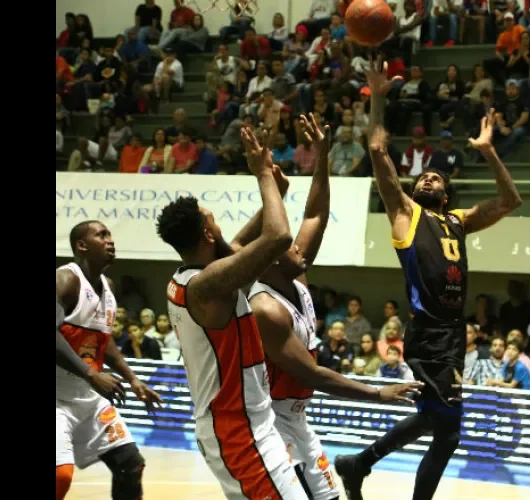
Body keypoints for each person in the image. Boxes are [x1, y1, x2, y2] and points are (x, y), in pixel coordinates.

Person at [334, 56, 522, 500]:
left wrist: (489, 152)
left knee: (436, 419)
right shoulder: (405, 213)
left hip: (453, 334)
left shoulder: (458, 220)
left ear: (447, 192)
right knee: (449, 427)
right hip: (431, 333)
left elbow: (511, 199)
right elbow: (378, 151)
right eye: (423, 176)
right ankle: (365, 469)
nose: (428, 177)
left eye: (436, 177)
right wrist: (378, 98)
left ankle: (357, 464)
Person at [241, 114, 422, 500]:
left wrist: (321, 154)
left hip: (297, 417)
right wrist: (377, 394)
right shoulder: (264, 309)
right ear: (269, 257)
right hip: (268, 422)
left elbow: (315, 215)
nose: (300, 249)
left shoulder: (295, 276)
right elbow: (314, 374)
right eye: (289, 245)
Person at [156, 127, 309, 499]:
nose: (219, 225)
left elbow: (239, 246)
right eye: (212, 219)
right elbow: (276, 239)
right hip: (239, 430)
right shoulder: (208, 286)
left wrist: (279, 190)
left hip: (233, 425)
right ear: (208, 234)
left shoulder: (190, 277)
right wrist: (261, 175)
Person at [56, 221, 162, 500]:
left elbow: (106, 342)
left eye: (110, 234)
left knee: (131, 465)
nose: (110, 240)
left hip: (86, 398)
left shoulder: (108, 287)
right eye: (101, 235)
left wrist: (133, 379)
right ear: (82, 245)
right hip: (56, 398)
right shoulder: (66, 279)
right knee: (60, 476)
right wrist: (91, 374)